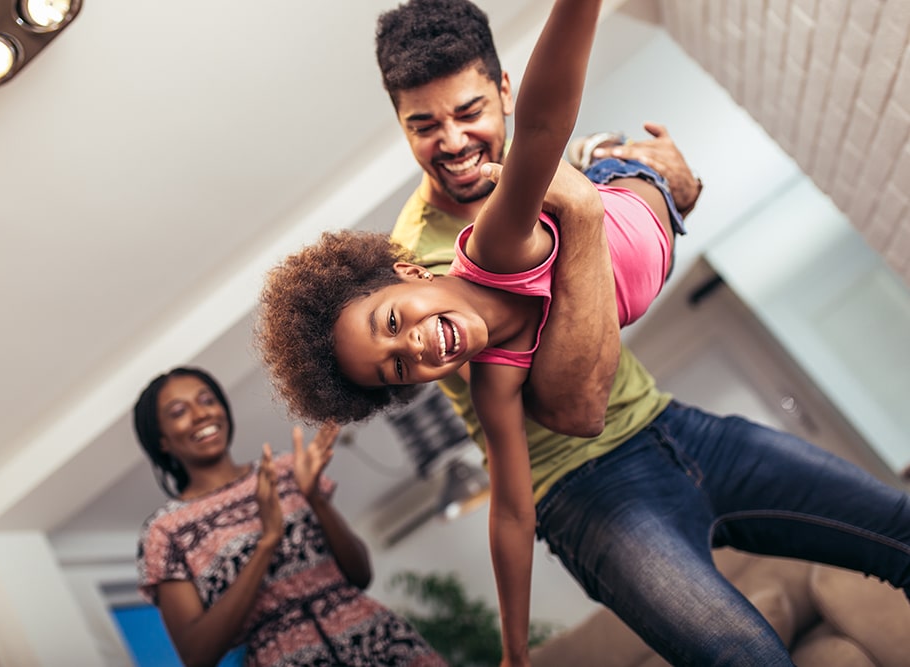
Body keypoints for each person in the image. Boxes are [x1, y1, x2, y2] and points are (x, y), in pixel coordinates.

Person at [371, 1, 910, 666]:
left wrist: (662, 179)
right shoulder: (429, 279)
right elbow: (576, 401)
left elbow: (585, 156)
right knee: (745, 658)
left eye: (468, 111)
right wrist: (597, 201)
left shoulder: (534, 161)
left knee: (898, 528)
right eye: (423, 125)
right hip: (581, 487)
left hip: (671, 423)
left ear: (504, 87)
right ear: (400, 126)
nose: (451, 141)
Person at [258, 0, 699, 661]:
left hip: (621, 185)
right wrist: (514, 649)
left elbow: (546, 124)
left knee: (583, 156)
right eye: (396, 368)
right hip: (629, 233)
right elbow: (512, 510)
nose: (416, 346)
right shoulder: (495, 380)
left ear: (408, 274)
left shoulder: (491, 248)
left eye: (393, 322)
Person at [133, 366, 446, 667]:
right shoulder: (166, 531)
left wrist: (314, 498)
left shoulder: (287, 470)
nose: (201, 414)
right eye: (178, 411)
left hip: (382, 642)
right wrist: (267, 542)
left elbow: (360, 576)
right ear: (161, 439)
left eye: (206, 400)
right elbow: (197, 655)